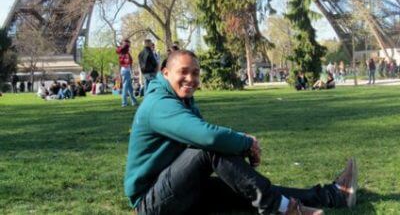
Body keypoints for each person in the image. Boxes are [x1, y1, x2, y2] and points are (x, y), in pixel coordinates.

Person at [124, 50, 357, 215]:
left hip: (177, 188)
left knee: (246, 189)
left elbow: (206, 136)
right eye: (183, 72)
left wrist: (242, 140)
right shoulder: (158, 104)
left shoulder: (181, 101)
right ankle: (280, 209)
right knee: (210, 149)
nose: (191, 79)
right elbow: (209, 138)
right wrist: (246, 143)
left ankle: (333, 195)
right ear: (165, 73)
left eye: (195, 73)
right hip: (151, 203)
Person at [116, 39, 137, 107]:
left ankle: (133, 101)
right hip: (125, 70)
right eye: (128, 44)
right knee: (125, 87)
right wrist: (124, 44)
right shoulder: (123, 51)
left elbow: (130, 62)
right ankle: (124, 102)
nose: (129, 45)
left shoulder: (126, 52)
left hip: (126, 70)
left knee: (130, 87)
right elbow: (119, 51)